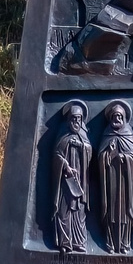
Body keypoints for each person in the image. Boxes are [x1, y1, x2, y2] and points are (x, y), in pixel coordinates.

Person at [96, 101, 133, 253]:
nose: (117, 119)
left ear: (124, 118)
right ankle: (110, 242)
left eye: (120, 116)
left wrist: (125, 157)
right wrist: (108, 152)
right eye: (114, 116)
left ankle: (125, 242)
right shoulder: (107, 133)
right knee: (111, 212)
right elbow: (100, 156)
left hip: (125, 181)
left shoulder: (128, 133)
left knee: (124, 213)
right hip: (111, 181)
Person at [49, 101, 91, 254]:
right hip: (65, 181)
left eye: (79, 119)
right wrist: (65, 165)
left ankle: (79, 242)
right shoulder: (63, 135)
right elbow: (56, 155)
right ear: (68, 120)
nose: (76, 122)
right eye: (73, 119)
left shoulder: (83, 136)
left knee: (79, 212)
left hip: (79, 180)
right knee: (63, 211)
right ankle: (65, 243)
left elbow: (89, 150)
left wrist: (81, 146)